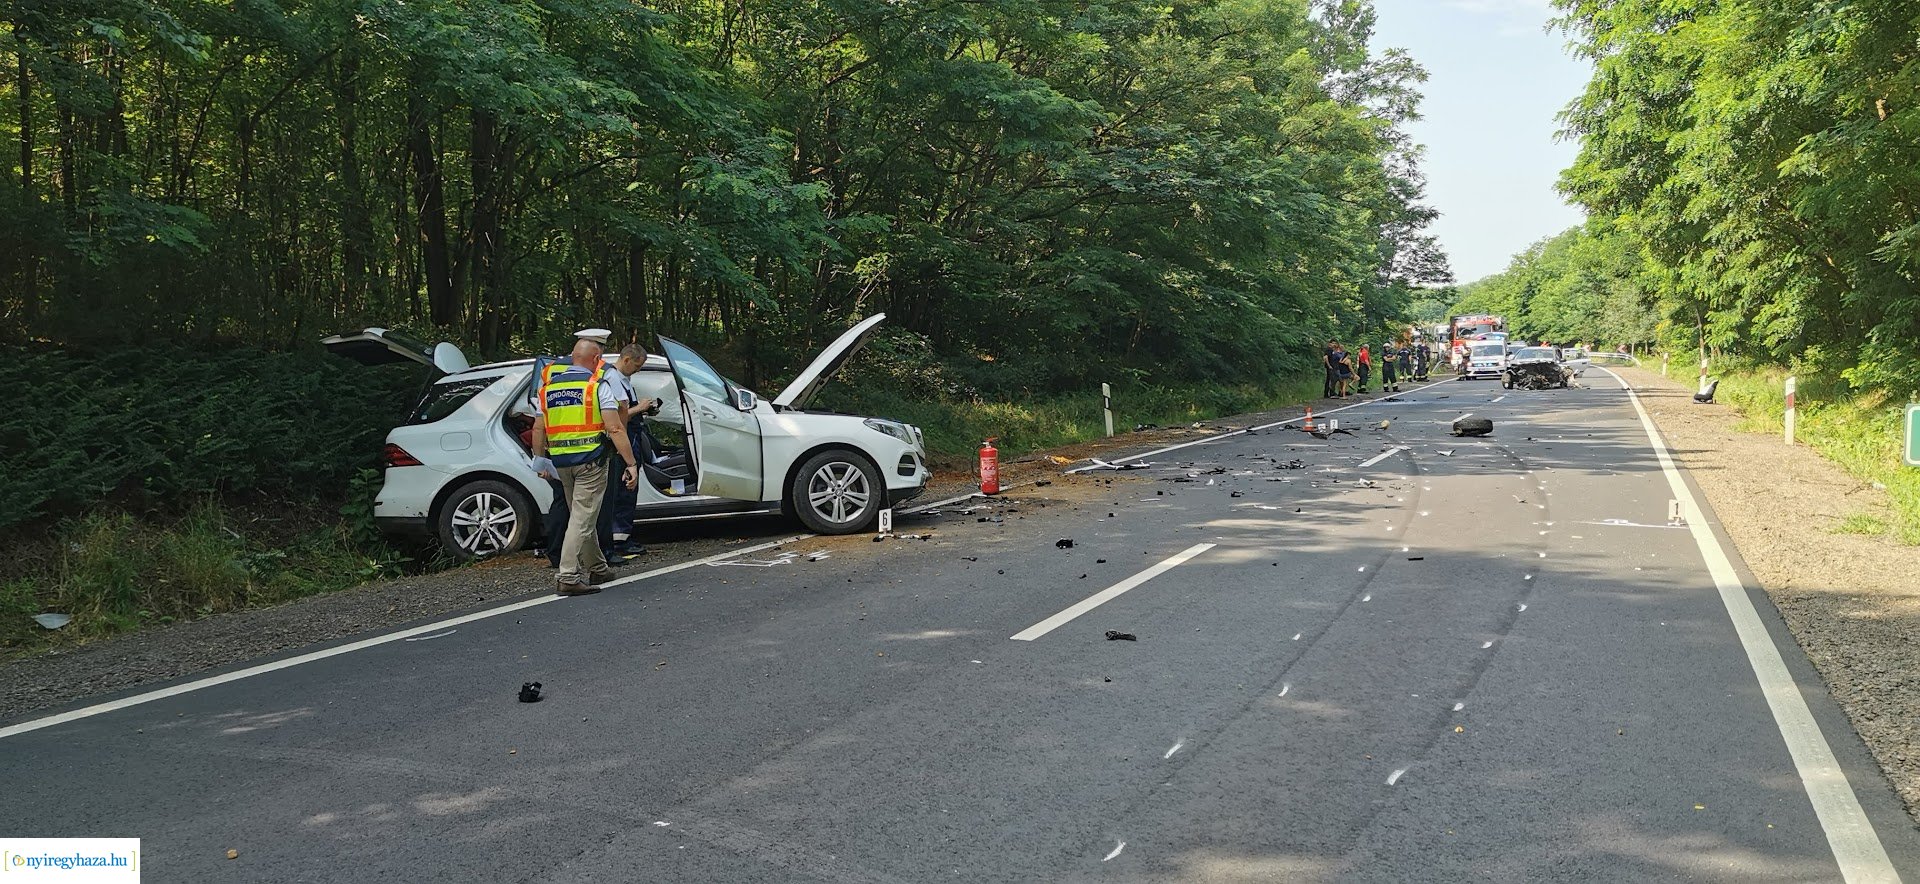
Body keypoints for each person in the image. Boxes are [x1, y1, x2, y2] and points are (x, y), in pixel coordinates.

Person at [531, 338, 642, 595]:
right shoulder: (596, 387)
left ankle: (597, 568)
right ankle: (568, 576)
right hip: (591, 461)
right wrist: (631, 463)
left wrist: (539, 461)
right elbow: (614, 427)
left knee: (583, 515)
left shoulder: (546, 389)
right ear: (595, 360)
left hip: (561, 463)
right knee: (582, 518)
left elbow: (539, 428)